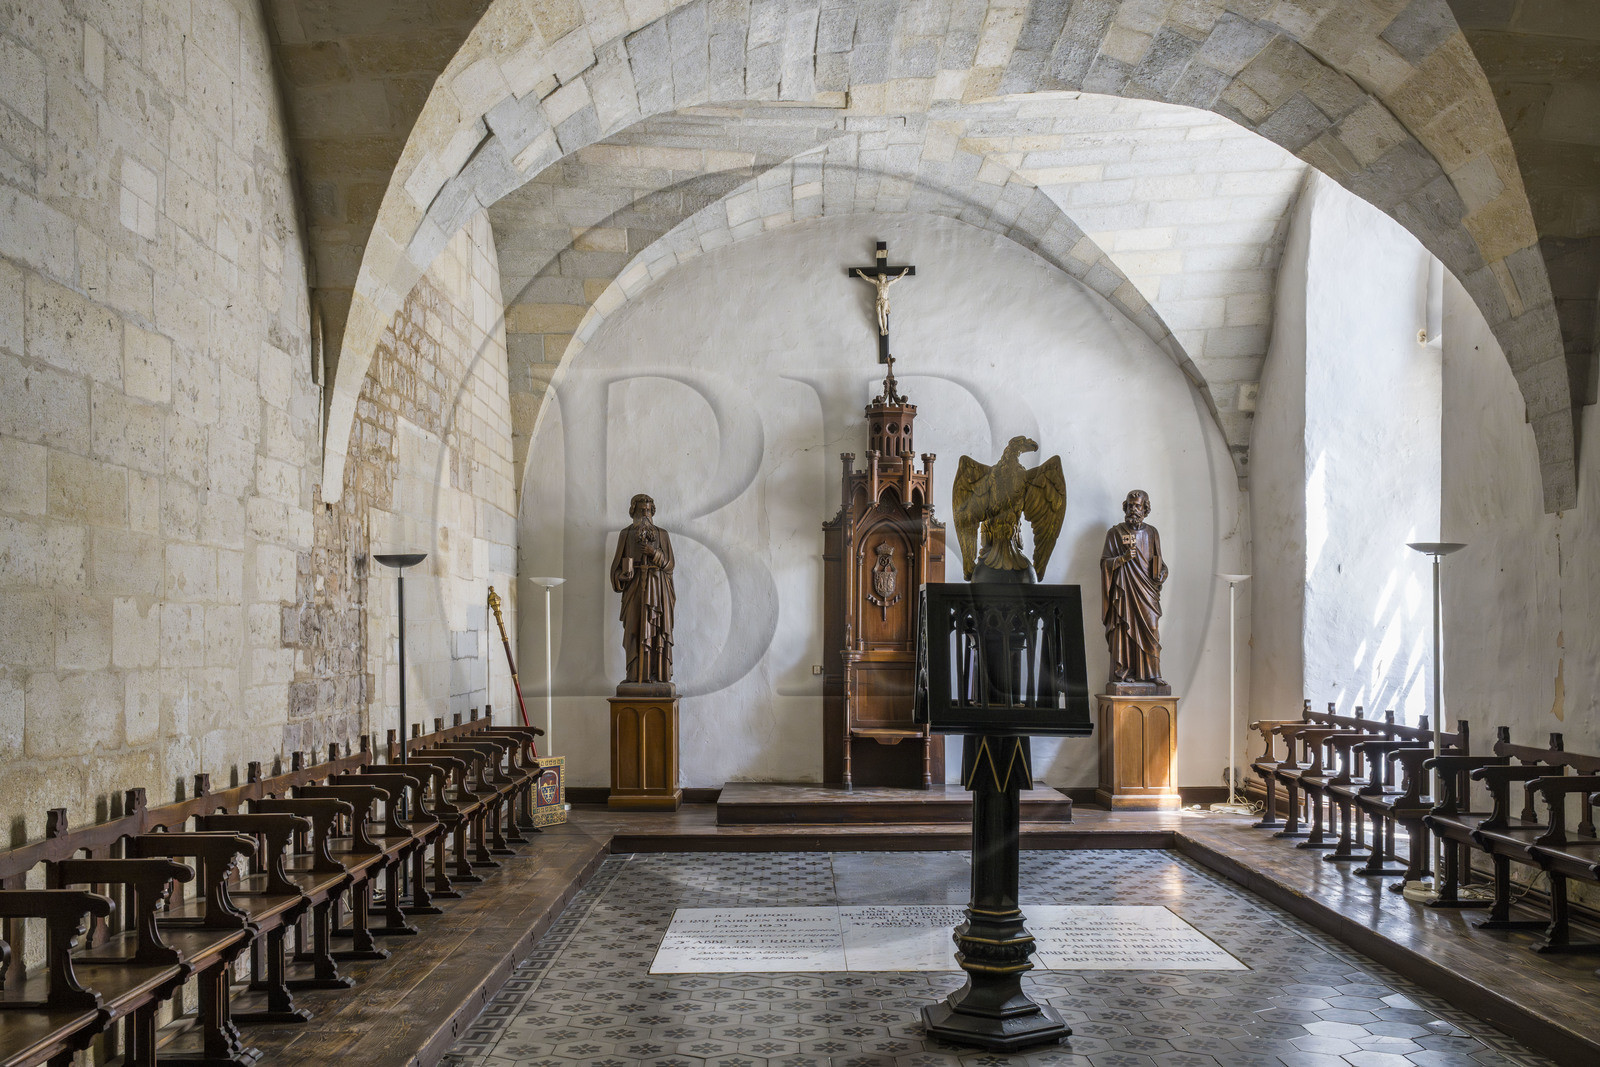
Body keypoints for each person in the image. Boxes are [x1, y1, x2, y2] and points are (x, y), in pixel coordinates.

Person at [1100, 490, 1168, 688]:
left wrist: (1163, 573)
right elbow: (1105, 564)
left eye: (1137, 506)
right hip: (1124, 591)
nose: (1133, 510)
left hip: (1147, 591)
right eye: (1130, 506)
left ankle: (1153, 673)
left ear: (1145, 509)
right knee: (1124, 627)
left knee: (1151, 628)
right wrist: (1122, 559)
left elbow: (1159, 563)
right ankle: (1125, 671)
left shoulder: (1152, 533)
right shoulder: (1115, 533)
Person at [610, 494, 676, 687]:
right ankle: (634, 675)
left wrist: (654, 553)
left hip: (658, 591)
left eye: (648, 510)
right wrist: (621, 577)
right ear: (633, 512)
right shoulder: (625, 534)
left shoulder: (662, 534)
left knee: (656, 635)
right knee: (633, 632)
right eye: (641, 511)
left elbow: (670, 565)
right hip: (634, 591)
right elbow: (615, 568)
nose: (645, 514)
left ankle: (658, 674)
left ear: (652, 512)